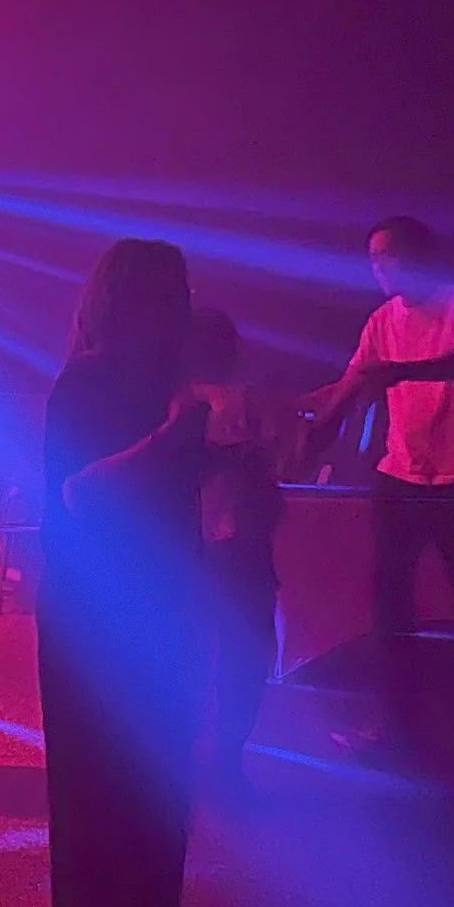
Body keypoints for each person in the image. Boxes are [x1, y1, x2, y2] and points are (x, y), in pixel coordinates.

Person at [39, 239, 211, 907]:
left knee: (158, 795)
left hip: (162, 610)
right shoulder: (89, 383)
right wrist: (171, 440)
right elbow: (76, 493)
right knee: (99, 803)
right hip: (94, 618)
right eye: (167, 291)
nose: (180, 304)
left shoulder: (164, 386)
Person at [307, 216, 454, 757]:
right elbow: (353, 385)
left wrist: (398, 374)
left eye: (391, 254)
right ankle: (397, 722)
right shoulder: (381, 322)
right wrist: (307, 430)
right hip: (401, 474)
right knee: (390, 605)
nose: (381, 267)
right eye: (374, 257)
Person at [188, 309, 287, 794]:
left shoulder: (168, 398)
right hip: (235, 545)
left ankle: (189, 761)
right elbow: (281, 466)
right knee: (244, 655)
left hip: (193, 545)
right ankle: (225, 761)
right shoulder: (244, 401)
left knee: (190, 651)